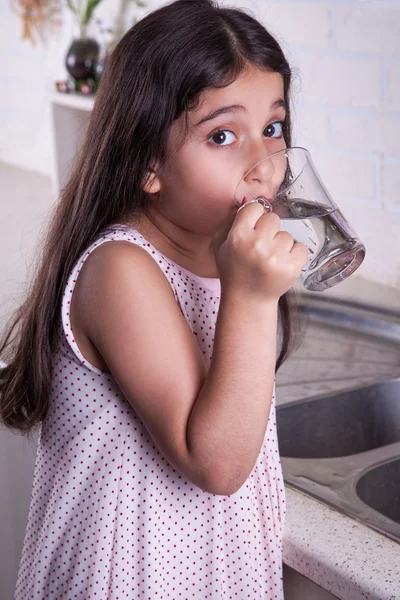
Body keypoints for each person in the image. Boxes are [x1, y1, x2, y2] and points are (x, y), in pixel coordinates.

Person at [1, 0, 308, 598]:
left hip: (216, 569)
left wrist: (247, 286)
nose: (264, 165)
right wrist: (250, 297)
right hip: (132, 578)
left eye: (272, 128)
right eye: (223, 135)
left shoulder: (224, 254)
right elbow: (214, 463)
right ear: (149, 163)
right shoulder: (121, 268)